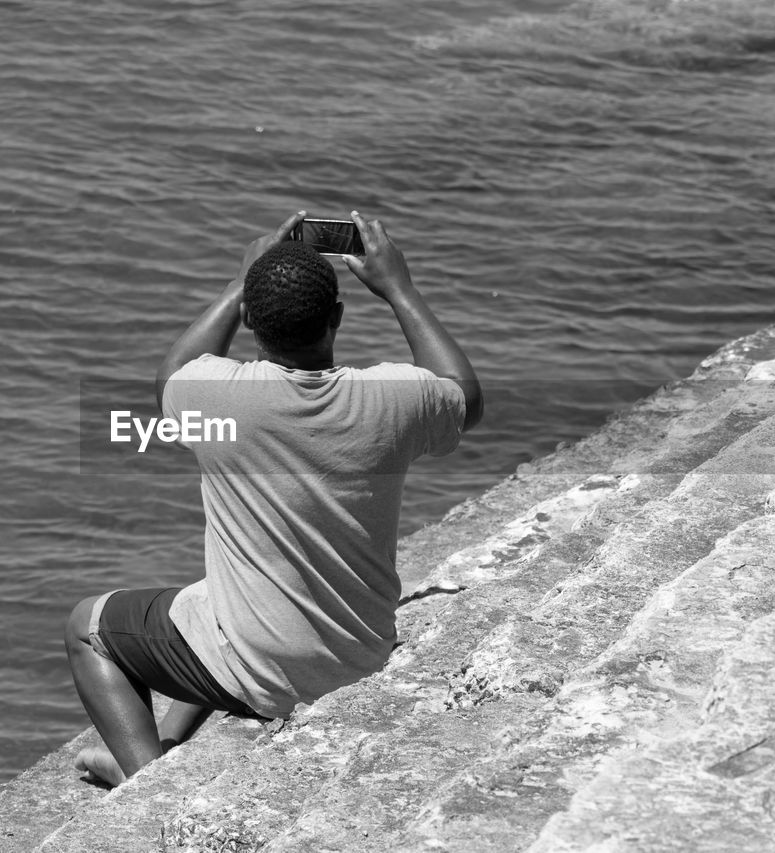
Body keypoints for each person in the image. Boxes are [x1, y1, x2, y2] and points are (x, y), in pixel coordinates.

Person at [64, 210, 483, 786]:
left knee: (86, 625)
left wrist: (241, 283)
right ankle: (166, 740)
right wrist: (400, 289)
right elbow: (466, 396)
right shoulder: (395, 400)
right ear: (336, 317)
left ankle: (144, 780)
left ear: (252, 325)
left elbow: (171, 373)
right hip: (359, 658)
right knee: (216, 595)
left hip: (264, 676)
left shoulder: (213, 399)